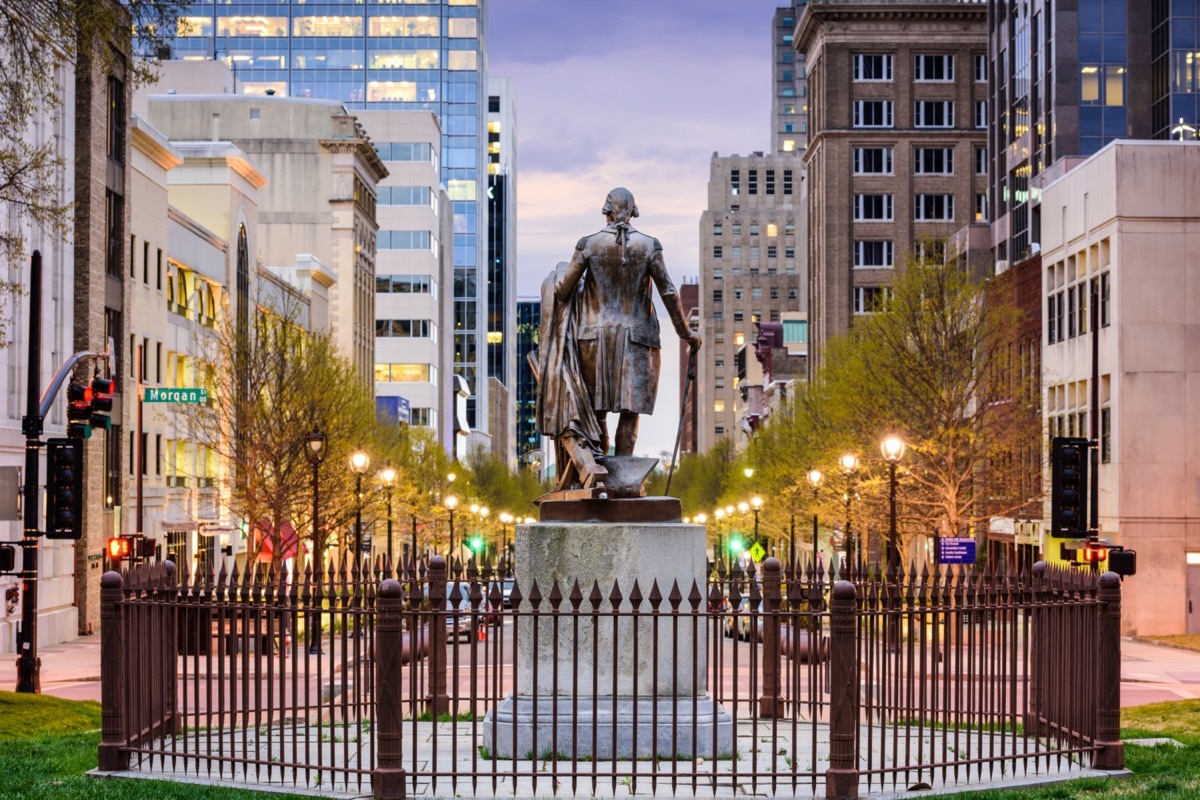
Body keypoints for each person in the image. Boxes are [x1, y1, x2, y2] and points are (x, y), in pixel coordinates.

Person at [556, 188, 701, 456]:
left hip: (593, 339)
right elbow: (668, 292)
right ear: (633, 210)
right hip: (638, 340)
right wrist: (686, 333)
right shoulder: (649, 246)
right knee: (630, 409)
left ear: (606, 210)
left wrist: (562, 277)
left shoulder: (587, 244)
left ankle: (599, 469)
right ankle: (623, 474)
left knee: (596, 409)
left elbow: (563, 290)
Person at [534, 263, 607, 491]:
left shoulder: (573, 350)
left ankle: (579, 471)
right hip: (565, 386)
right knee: (570, 417)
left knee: (574, 416)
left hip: (571, 380)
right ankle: (583, 469)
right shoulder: (557, 362)